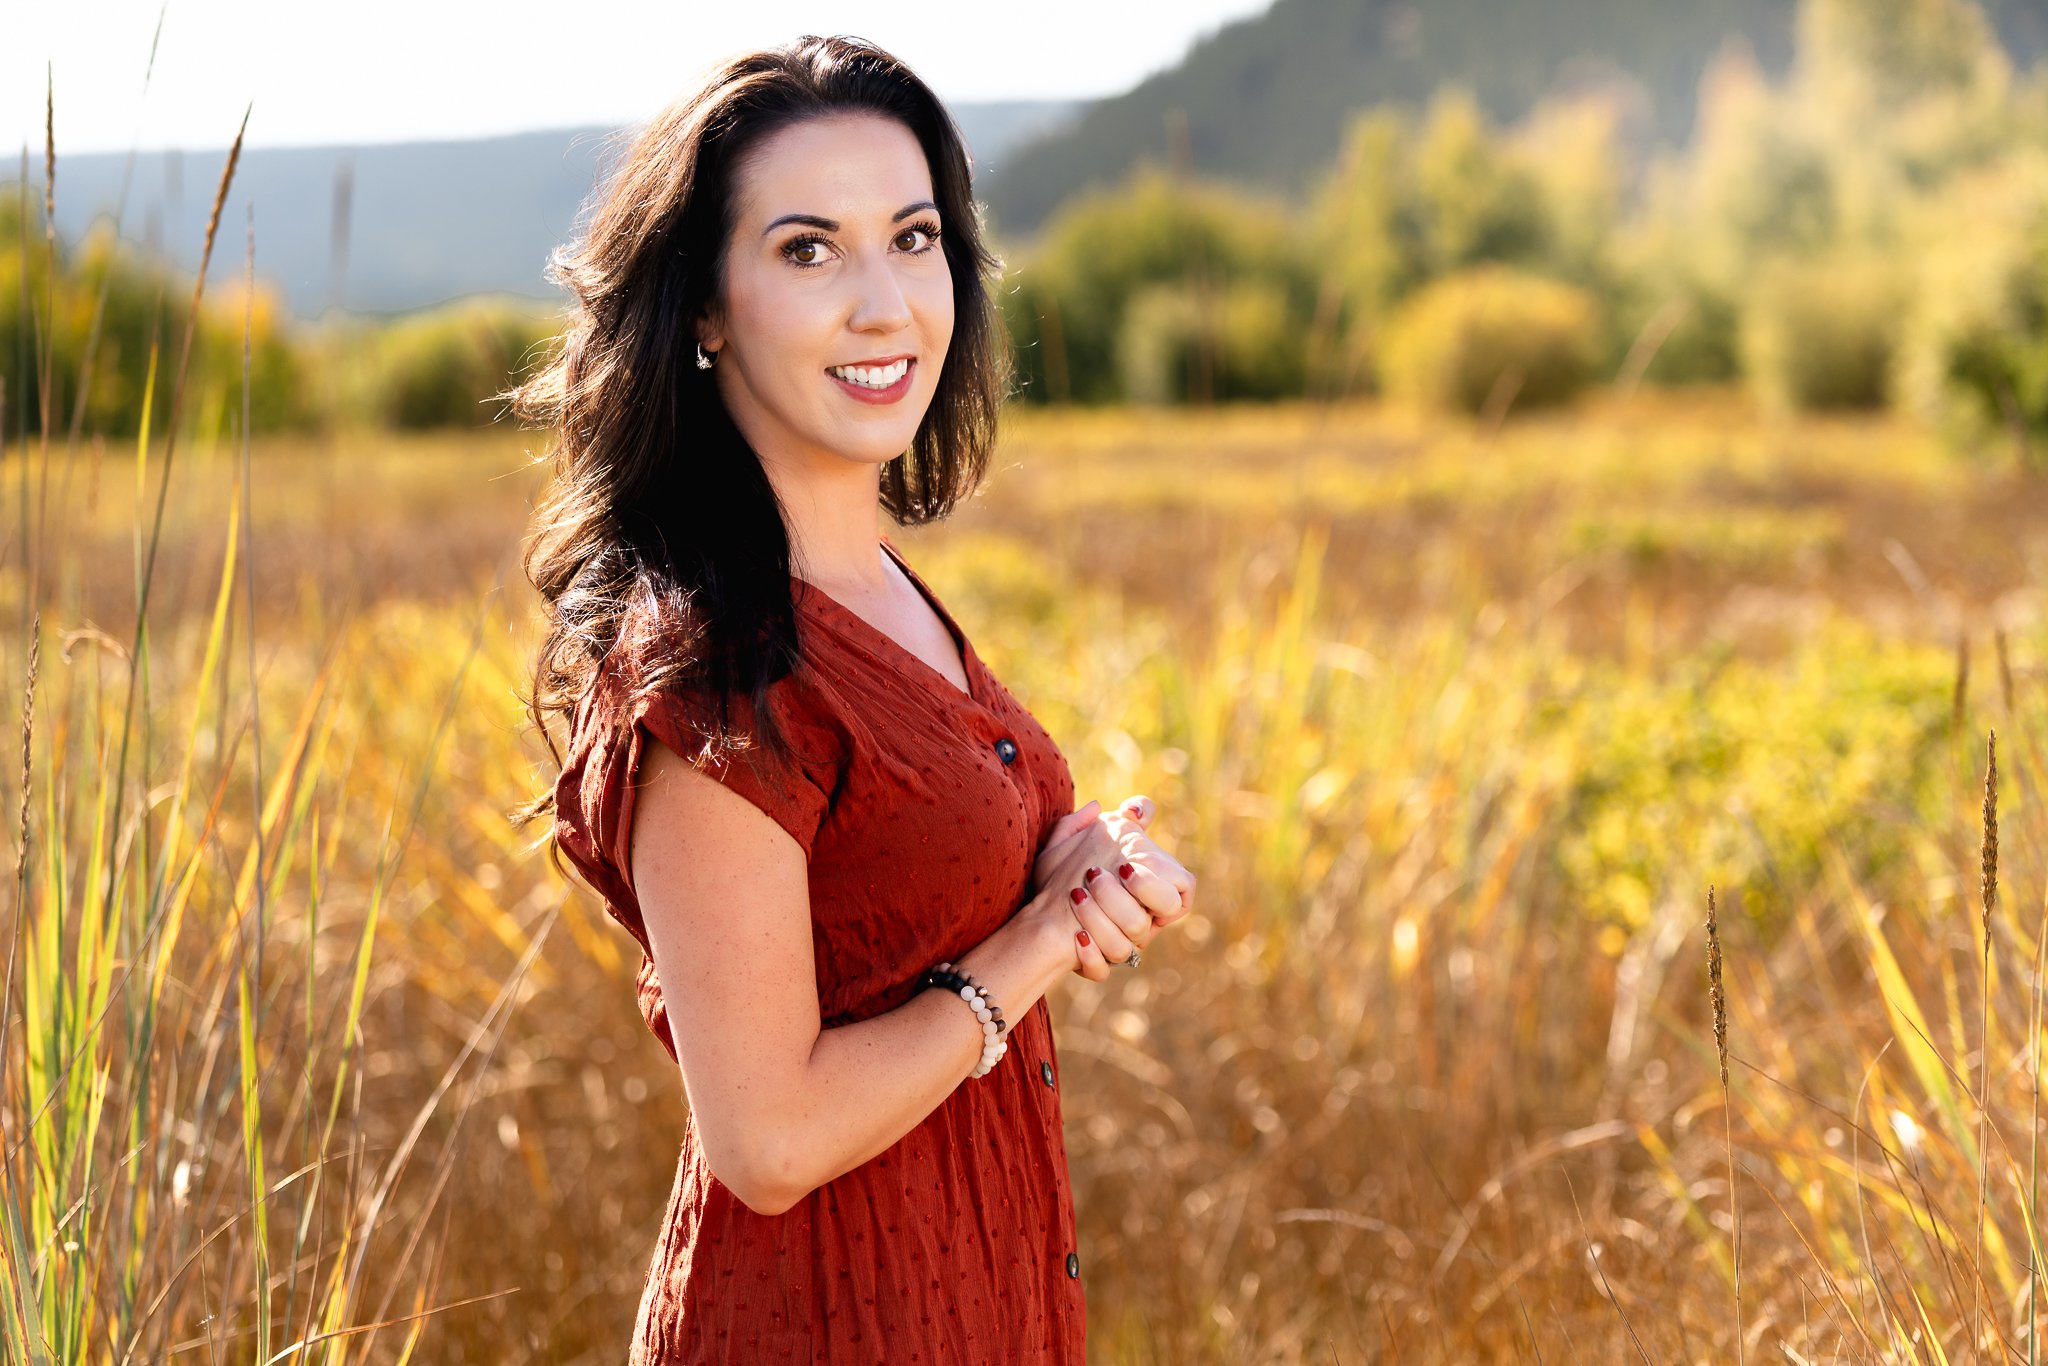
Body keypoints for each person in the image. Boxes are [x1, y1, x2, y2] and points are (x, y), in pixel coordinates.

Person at [509, 33, 1198, 1363]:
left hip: (971, 1299)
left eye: (915, 236)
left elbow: (897, 884)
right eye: (808, 250)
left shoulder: (877, 587)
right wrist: (1042, 939)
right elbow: (766, 1142)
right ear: (703, 309)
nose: (886, 303)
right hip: (821, 1320)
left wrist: (1071, 859)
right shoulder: (714, 673)